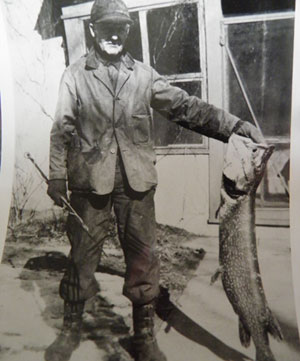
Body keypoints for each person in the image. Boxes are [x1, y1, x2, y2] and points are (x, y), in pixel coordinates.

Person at [45, 0, 264, 360]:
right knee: (82, 256)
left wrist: (234, 127)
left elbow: (186, 107)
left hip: (137, 186)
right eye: (106, 27)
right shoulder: (74, 76)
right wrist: (56, 175)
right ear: (92, 30)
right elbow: (61, 130)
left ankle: (143, 337)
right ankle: (70, 331)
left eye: (121, 27)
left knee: (143, 259)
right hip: (89, 185)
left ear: (128, 31)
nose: (114, 33)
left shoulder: (145, 75)